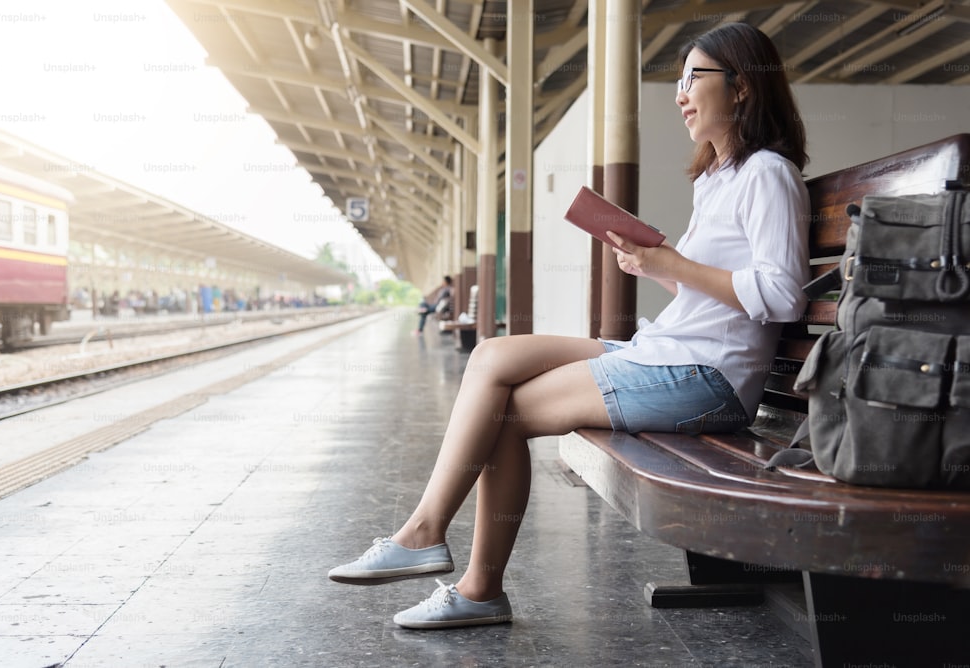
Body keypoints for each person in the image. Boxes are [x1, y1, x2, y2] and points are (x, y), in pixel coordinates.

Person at [329, 22, 810, 629]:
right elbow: (714, 289)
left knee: (499, 412)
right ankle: (440, 549)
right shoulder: (718, 179)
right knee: (492, 358)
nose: (682, 93)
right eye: (679, 81)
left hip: (704, 374)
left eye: (695, 77)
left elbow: (782, 295)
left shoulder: (768, 173)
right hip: (669, 351)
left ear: (742, 87)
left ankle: (456, 565)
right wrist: (651, 264)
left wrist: (674, 263)